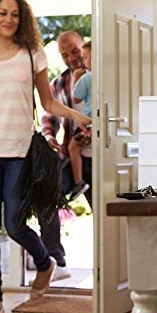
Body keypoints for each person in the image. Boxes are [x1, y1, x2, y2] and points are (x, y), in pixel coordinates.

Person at [0, 0, 91, 313]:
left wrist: (80, 117)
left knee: (15, 225)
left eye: (15, 14)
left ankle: (44, 262)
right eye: (2, 13)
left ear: (22, 19)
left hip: (20, 154)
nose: (9, 19)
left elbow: (47, 102)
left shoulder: (32, 55)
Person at [39, 31, 93, 280]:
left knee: (107, 212)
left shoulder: (100, 76)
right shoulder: (57, 85)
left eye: (75, 50)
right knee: (47, 196)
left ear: (83, 46)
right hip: (71, 157)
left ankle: (119, 270)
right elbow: (49, 118)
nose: (72, 57)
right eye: (65, 54)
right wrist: (49, 136)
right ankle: (56, 262)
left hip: (99, 156)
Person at [68, 40, 92, 201]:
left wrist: (76, 78)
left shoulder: (86, 78)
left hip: (89, 122)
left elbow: (76, 99)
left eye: (86, 57)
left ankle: (78, 182)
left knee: (73, 146)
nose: (84, 62)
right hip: (102, 124)